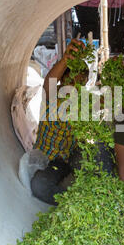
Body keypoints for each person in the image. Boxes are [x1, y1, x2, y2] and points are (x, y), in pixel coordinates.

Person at [31, 39, 87, 205]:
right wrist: (65, 59)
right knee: (39, 185)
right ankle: (74, 204)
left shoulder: (85, 104)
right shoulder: (52, 97)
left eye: (81, 83)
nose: (74, 88)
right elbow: (49, 81)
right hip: (46, 158)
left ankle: (87, 200)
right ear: (63, 80)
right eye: (71, 82)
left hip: (66, 160)